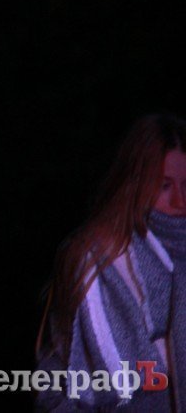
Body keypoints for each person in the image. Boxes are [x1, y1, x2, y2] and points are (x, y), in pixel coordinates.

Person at [35, 113, 186, 411]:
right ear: (135, 183)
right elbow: (64, 375)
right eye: (164, 185)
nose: (180, 202)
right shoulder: (98, 258)